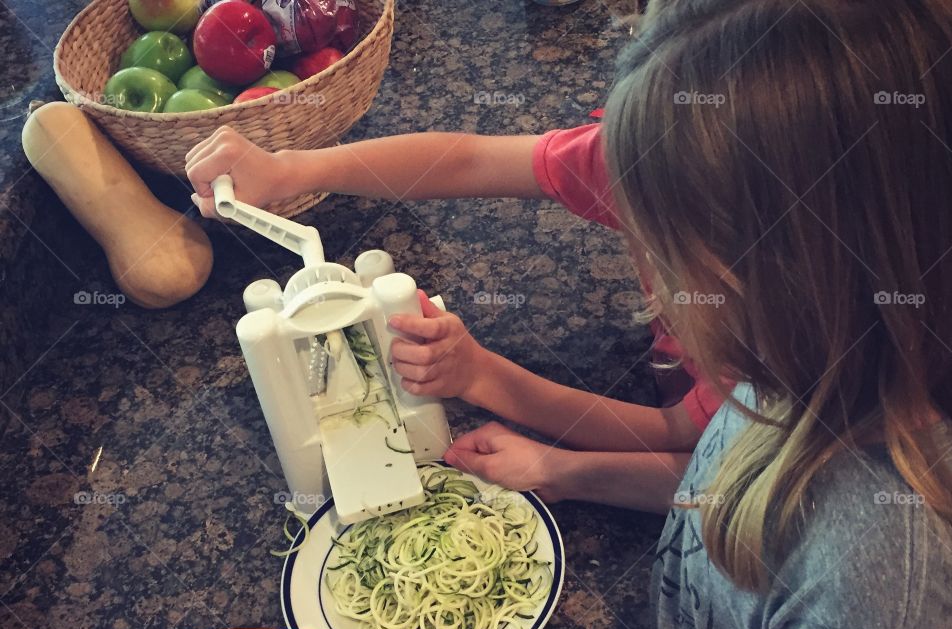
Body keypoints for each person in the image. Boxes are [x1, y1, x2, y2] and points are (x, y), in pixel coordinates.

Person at [189, 1, 952, 629]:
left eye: (664, 259)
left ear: (791, 265)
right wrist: (568, 471)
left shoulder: (878, 556)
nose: (647, 287)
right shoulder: (796, 364)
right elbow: (716, 477)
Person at [185, 94, 722, 515]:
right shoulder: (662, 152)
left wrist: (494, 389)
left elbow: (690, 445)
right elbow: (471, 160)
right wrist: (290, 171)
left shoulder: (780, 349)